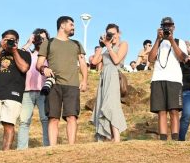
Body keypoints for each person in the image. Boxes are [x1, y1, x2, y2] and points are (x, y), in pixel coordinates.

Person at [36, 16, 88, 146]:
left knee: (72, 117)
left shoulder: (76, 44)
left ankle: (71, 147)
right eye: (71, 24)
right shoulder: (48, 43)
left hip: (72, 85)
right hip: (54, 85)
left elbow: (82, 63)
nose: (74, 27)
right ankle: (52, 148)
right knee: (53, 118)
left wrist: (85, 80)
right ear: (62, 26)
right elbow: (39, 64)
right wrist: (44, 69)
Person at [0, 30, 31, 151]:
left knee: (8, 124)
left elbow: (24, 68)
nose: (9, 41)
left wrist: (14, 51)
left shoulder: (23, 53)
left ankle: (6, 153)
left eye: (12, 39)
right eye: (6, 39)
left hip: (13, 93)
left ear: (17, 42)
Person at [149, 17, 187, 141]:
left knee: (174, 110)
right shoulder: (158, 42)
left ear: (173, 27)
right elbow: (150, 59)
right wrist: (157, 39)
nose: (167, 28)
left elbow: (182, 58)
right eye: (165, 26)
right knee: (161, 111)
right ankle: (163, 140)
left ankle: (175, 139)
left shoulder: (179, 41)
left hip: (174, 79)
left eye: (169, 26)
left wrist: (171, 40)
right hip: (158, 78)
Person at [91, 24, 128, 142]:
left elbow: (117, 60)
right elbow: (95, 61)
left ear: (119, 33)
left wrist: (109, 46)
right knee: (102, 105)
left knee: (112, 105)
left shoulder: (123, 44)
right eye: (109, 33)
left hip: (113, 76)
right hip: (104, 78)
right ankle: (107, 136)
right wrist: (102, 46)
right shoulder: (107, 48)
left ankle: (116, 137)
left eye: (113, 33)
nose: (112, 36)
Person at [17, 28, 50, 149]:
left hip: (44, 91)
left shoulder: (49, 55)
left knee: (45, 120)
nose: (41, 41)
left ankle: (48, 146)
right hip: (27, 91)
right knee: (24, 121)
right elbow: (18, 54)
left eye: (44, 38)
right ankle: (21, 149)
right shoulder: (28, 54)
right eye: (39, 38)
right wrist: (29, 42)